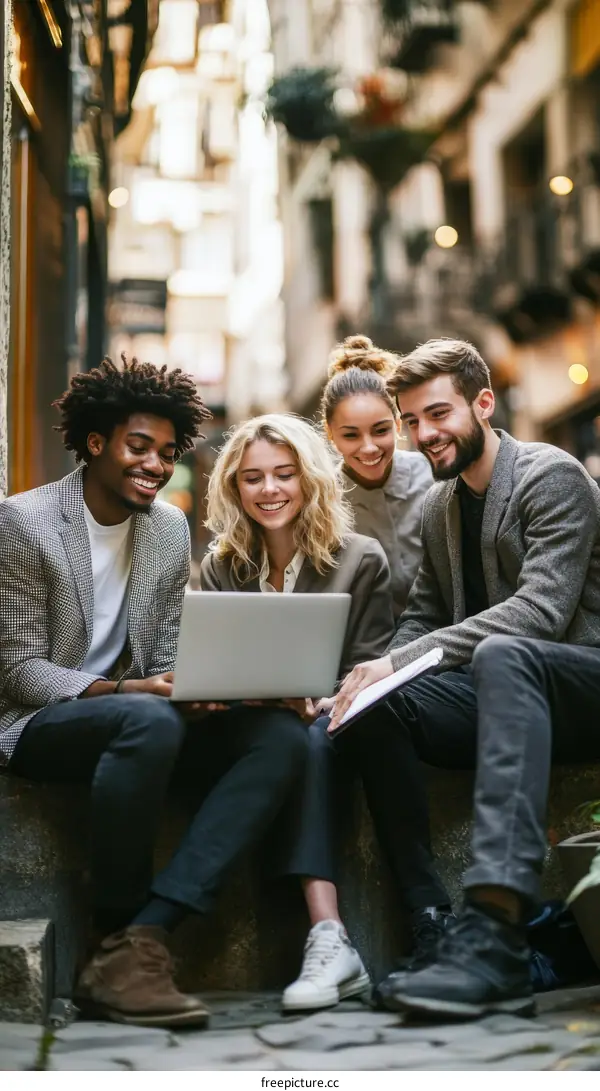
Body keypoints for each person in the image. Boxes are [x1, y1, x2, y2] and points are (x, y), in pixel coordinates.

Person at [1, 356, 309, 1028]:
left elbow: (169, 655)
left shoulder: (169, 530)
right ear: (94, 442)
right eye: (138, 445)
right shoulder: (24, 523)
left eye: (167, 453)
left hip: (145, 720)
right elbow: (20, 670)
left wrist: (212, 689)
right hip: (44, 722)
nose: (154, 464)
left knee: (282, 737)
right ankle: (112, 926)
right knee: (148, 720)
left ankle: (142, 938)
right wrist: (129, 687)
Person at [326, 337, 600, 1017]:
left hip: (581, 681)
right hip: (507, 697)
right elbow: (420, 617)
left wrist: (398, 660)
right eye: (413, 419)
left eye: (438, 414)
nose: (424, 434)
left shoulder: (551, 475)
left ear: (483, 403)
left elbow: (539, 613)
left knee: (502, 652)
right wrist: (371, 679)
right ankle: (431, 928)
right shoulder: (441, 507)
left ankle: (496, 933)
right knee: (372, 708)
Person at [200, 413, 395, 1011]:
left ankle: (327, 934)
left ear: (309, 479)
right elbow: (209, 669)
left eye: (284, 474)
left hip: (330, 728)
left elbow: (368, 669)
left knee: (306, 736)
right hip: (249, 728)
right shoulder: (219, 567)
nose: (269, 490)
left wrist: (320, 697)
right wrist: (253, 694)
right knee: (283, 734)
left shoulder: (362, 559)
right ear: (234, 487)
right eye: (253, 477)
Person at [321, 334, 432, 619]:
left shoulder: (435, 475)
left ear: (397, 424)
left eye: (380, 430)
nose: (369, 447)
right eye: (350, 435)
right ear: (329, 433)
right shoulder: (321, 503)